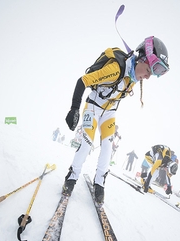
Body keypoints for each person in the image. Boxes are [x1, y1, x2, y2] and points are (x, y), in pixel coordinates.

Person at [62, 36, 170, 204]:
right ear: (141, 59)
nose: (148, 77)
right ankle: (71, 177)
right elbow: (83, 81)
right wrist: (74, 108)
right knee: (86, 143)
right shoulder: (115, 69)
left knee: (107, 147)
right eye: (149, 70)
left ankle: (100, 183)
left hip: (109, 112)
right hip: (93, 105)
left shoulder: (134, 76)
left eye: (152, 74)